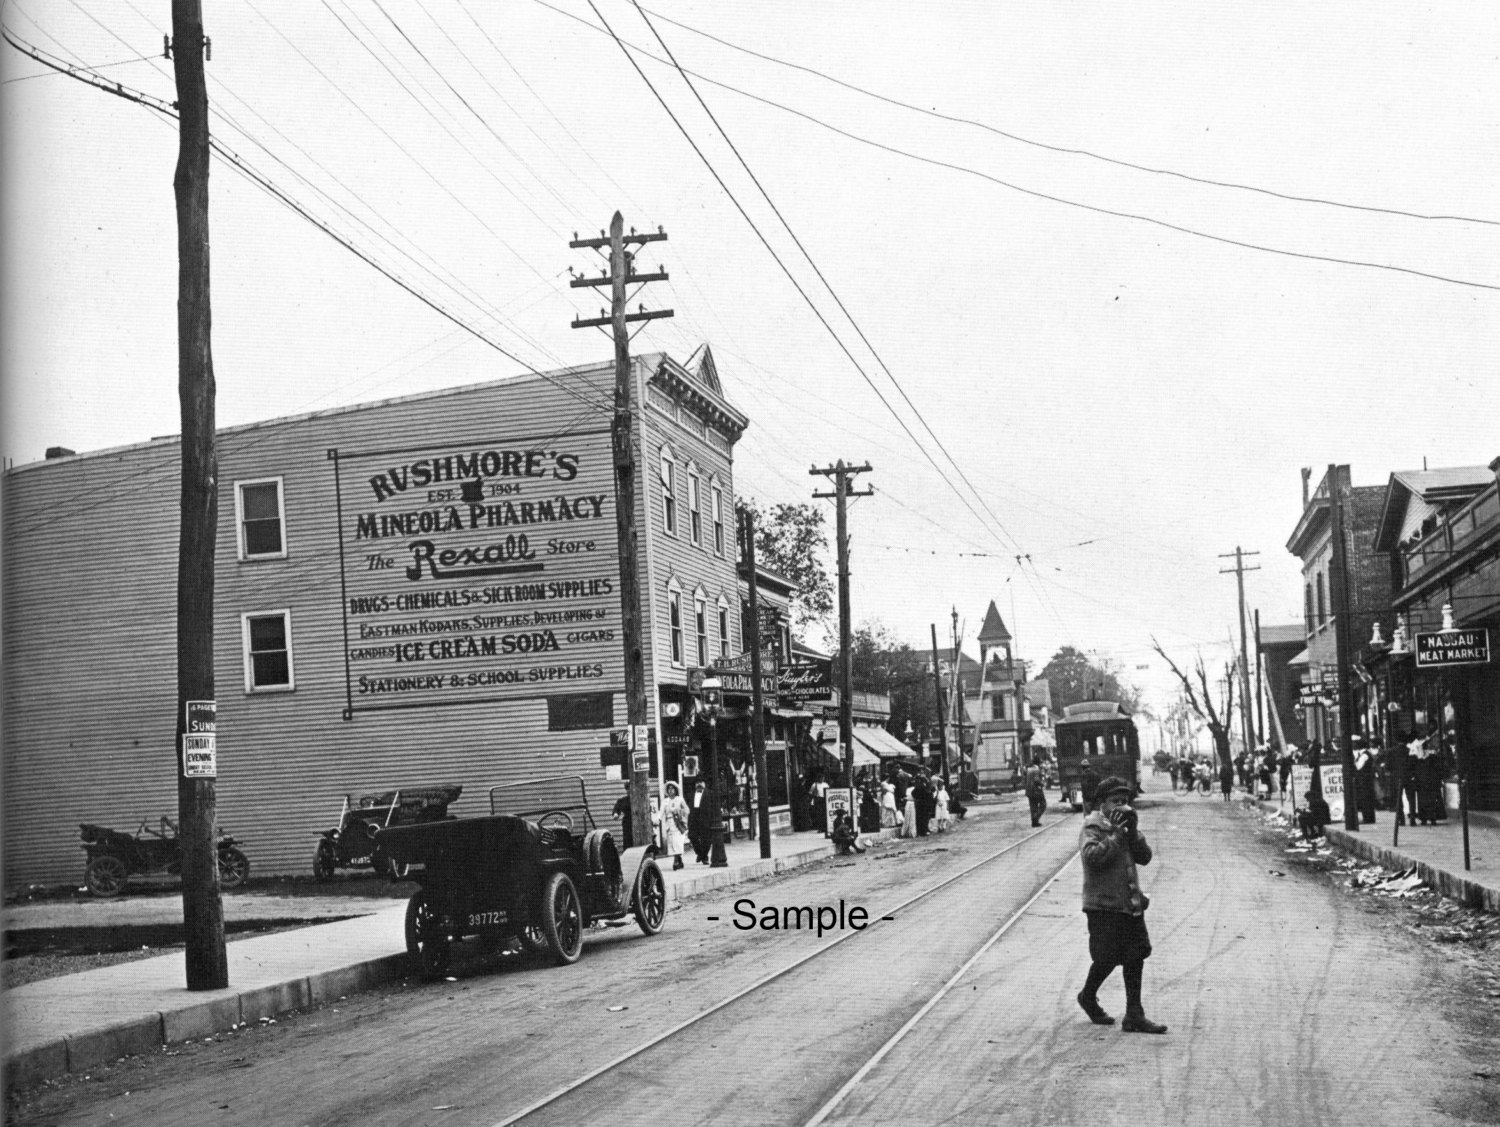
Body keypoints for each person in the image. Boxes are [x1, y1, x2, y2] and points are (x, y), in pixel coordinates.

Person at [1076, 776, 1166, 1035]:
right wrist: (1116, 835)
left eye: (1124, 801)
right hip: (1103, 906)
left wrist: (1133, 832)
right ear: (1102, 804)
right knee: (1106, 958)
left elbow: (1145, 858)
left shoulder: (1127, 827)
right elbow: (1093, 858)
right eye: (1115, 801)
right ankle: (1088, 995)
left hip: (1129, 903)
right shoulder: (1092, 826)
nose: (1121, 806)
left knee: (1135, 956)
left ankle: (1134, 1015)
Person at [660, 782, 689, 870]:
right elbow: (661, 811)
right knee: (672, 842)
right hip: (669, 823)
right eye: (669, 789)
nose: (671, 790)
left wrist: (679, 812)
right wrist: (658, 819)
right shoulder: (665, 801)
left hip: (678, 823)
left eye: (672, 788)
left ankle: (676, 860)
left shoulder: (679, 799)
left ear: (675, 790)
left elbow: (687, 809)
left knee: (678, 841)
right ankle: (678, 859)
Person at [688, 781, 713, 864]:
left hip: (705, 818)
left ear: (705, 784)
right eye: (697, 782)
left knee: (706, 839)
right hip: (694, 818)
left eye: (701, 782)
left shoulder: (709, 793)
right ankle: (701, 854)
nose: (699, 784)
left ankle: (704, 857)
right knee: (692, 836)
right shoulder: (691, 794)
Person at [1025, 755, 1048, 827]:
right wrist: (1042, 784)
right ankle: (1035, 818)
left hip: (1029, 791)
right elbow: (1036, 780)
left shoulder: (1029, 769)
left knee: (1033, 807)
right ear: (1038, 763)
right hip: (1036, 790)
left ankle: (1034, 822)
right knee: (1043, 804)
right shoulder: (1037, 769)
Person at [612, 782, 634, 849]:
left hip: (638, 821)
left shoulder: (639, 799)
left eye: (631, 789)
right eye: (628, 789)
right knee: (628, 841)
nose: (629, 791)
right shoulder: (623, 800)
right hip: (627, 822)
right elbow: (616, 809)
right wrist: (616, 814)